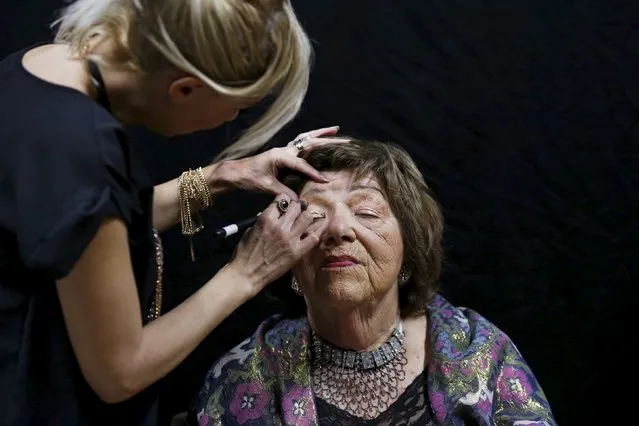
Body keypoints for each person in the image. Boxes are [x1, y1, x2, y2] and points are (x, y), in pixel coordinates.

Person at [0, 0, 348, 425]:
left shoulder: (41, 67)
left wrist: (221, 176)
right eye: (239, 105)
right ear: (184, 88)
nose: (234, 118)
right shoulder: (83, 154)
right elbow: (119, 371)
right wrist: (248, 271)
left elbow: (78, 226)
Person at [190, 140, 557, 425]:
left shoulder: (480, 353)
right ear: (286, 259)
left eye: (366, 212)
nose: (337, 229)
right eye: (313, 216)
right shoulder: (242, 376)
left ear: (408, 249)